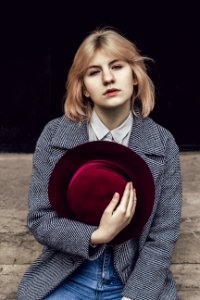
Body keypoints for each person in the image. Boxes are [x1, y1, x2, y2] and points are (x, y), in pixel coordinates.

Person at [17, 27, 182, 300]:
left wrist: (134, 297)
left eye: (117, 67)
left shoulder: (162, 143)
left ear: (135, 77)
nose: (108, 78)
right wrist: (97, 235)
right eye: (94, 72)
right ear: (83, 89)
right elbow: (40, 218)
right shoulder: (54, 135)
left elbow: (162, 236)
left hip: (132, 280)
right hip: (68, 276)